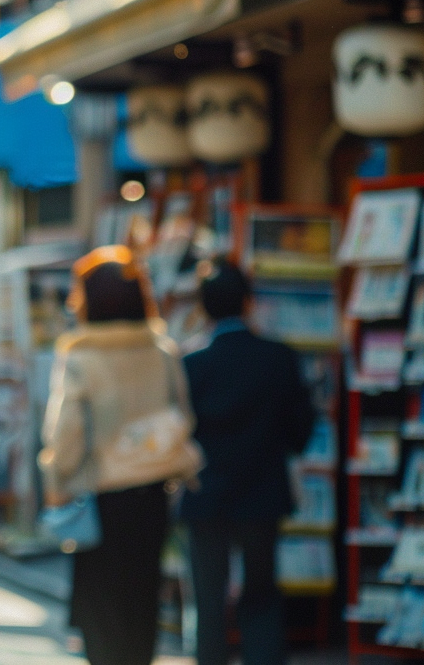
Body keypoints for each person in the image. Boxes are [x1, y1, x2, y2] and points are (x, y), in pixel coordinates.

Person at [40, 245, 195, 665]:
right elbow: (182, 415)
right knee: (142, 603)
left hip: (100, 498)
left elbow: (66, 434)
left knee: (99, 608)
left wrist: (56, 481)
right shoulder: (161, 351)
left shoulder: (81, 355)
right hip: (153, 497)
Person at [182, 259, 315, 665]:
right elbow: (300, 430)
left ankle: (211, 659)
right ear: (248, 302)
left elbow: (179, 431)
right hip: (262, 491)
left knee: (208, 596)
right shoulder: (278, 358)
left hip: (206, 494)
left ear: (203, 308)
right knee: (261, 592)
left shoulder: (192, 364)